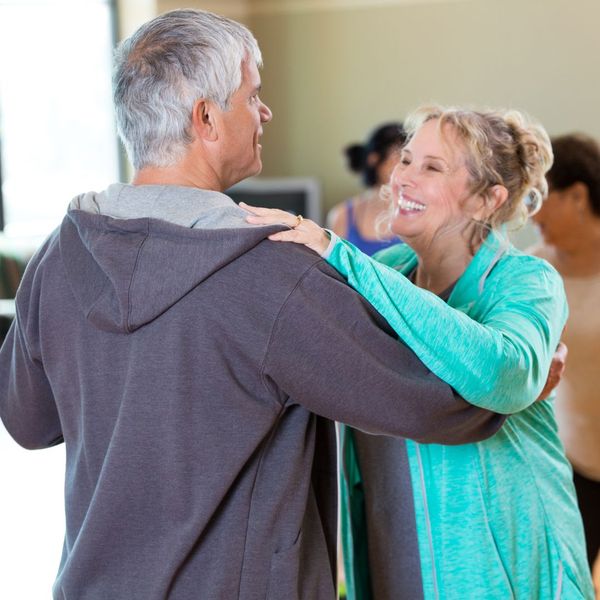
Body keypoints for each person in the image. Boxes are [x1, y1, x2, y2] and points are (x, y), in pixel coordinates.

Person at [0, 11, 509, 600]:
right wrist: (521, 376)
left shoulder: (58, 256)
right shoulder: (272, 272)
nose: (264, 112)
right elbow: (442, 401)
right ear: (207, 118)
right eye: (253, 95)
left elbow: (29, 422)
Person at [243, 106, 594, 599]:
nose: (402, 178)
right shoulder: (385, 269)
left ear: (486, 199)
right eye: (406, 160)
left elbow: (502, 373)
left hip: (505, 564)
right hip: (394, 545)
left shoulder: (526, 281)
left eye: (432, 167)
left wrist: (344, 257)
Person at [530, 133, 600, 576]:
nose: (530, 211)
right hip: (574, 460)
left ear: (577, 195)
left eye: (540, 195)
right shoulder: (535, 269)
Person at [327, 122, 405, 255]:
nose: (404, 166)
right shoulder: (342, 216)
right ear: (373, 159)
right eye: (398, 156)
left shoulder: (417, 213)